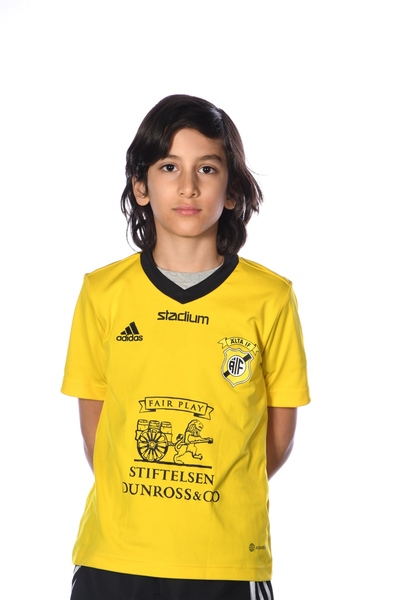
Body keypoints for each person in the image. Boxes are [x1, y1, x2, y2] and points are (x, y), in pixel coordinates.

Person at [61, 94, 311, 600]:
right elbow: (97, 433)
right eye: (169, 166)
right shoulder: (102, 292)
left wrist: (211, 492)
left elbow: (278, 438)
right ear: (141, 186)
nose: (188, 186)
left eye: (208, 169)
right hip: (115, 558)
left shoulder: (270, 297)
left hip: (225, 562)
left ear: (233, 191)